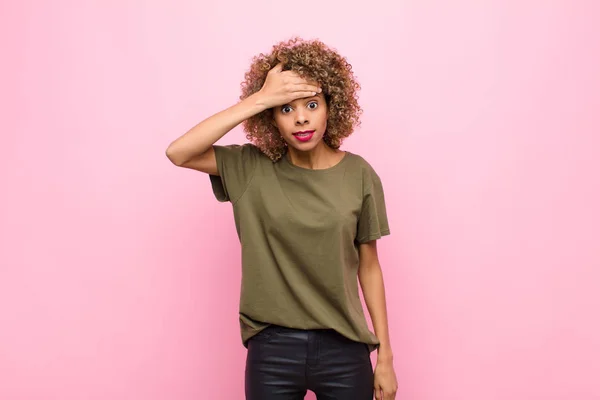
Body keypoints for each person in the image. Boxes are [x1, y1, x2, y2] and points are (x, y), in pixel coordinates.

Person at [166, 37, 398, 400]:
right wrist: (259, 98)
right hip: (272, 350)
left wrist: (385, 356)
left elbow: (369, 267)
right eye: (285, 108)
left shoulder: (359, 174)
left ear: (330, 108)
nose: (301, 117)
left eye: (311, 104)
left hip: (345, 346)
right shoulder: (249, 168)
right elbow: (178, 152)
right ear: (271, 118)